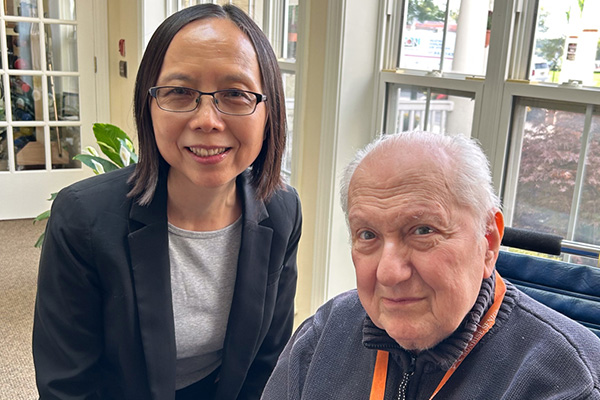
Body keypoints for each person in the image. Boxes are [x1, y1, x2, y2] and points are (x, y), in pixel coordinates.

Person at [33, 4, 302, 400]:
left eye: (235, 93)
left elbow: (266, 365)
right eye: (179, 92)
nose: (207, 120)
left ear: (269, 111)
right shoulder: (83, 219)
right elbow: (67, 386)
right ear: (150, 106)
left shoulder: (281, 210)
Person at [261, 131, 600, 399]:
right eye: (367, 234)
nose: (389, 273)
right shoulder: (323, 336)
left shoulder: (568, 382)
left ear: (489, 242)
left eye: (423, 231)